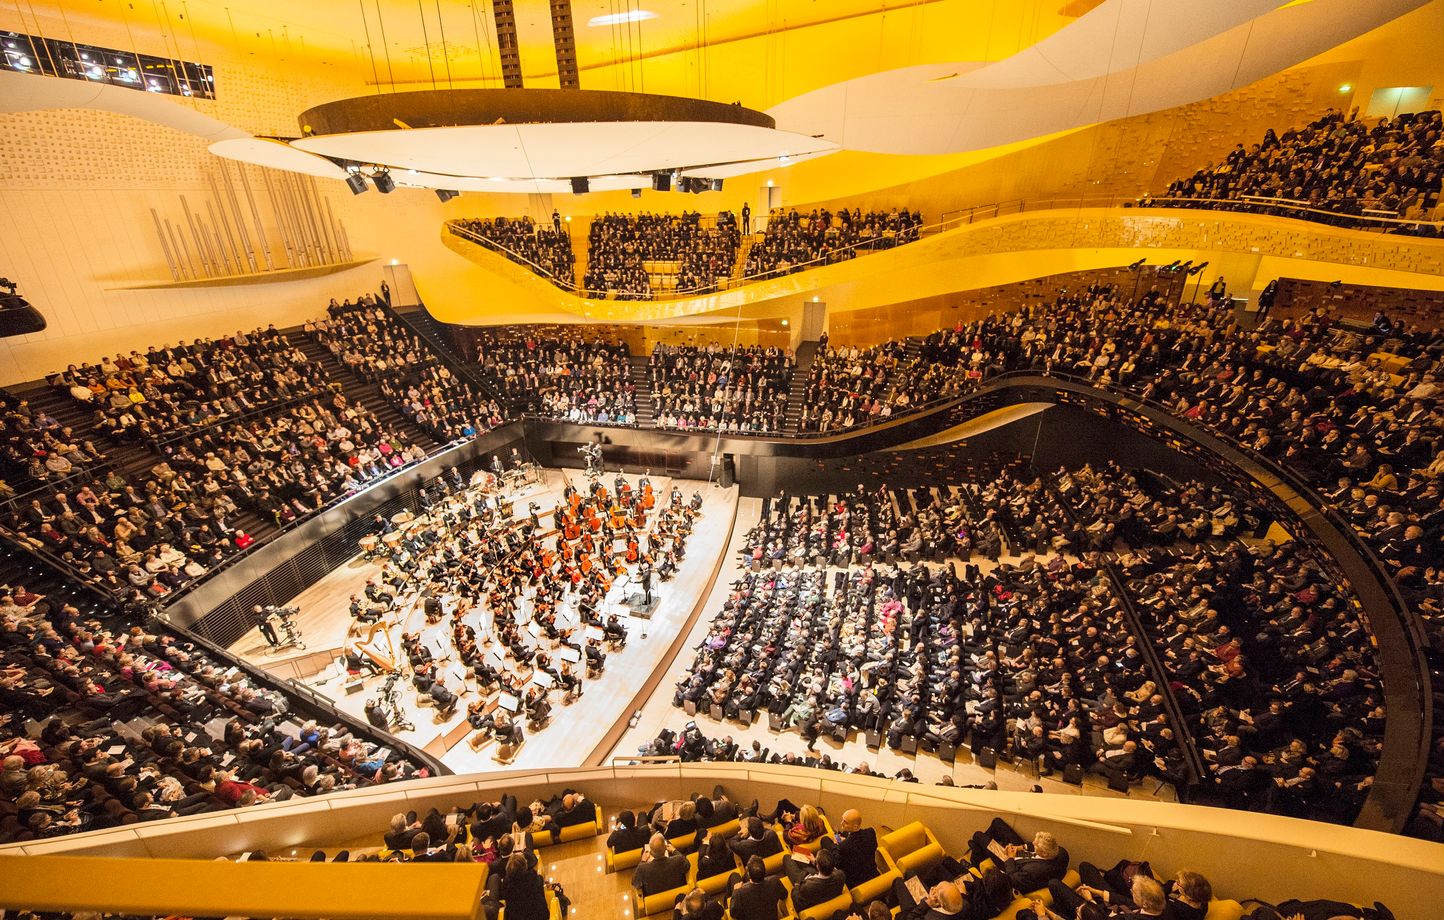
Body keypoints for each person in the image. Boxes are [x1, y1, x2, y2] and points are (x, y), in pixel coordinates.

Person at [827, 808, 879, 886]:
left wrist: (835, 844)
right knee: (843, 833)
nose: (841, 823)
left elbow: (838, 865)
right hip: (873, 873)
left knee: (826, 841)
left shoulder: (844, 846)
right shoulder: (871, 832)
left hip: (856, 882)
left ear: (855, 826)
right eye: (842, 820)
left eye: (845, 822)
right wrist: (847, 840)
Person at [727, 856, 788, 920]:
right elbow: (784, 895)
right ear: (765, 871)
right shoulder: (774, 881)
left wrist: (735, 891)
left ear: (749, 874)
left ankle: (726, 902)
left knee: (734, 876)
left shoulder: (739, 893)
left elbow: (733, 913)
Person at [633, 833, 690, 898]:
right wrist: (674, 850)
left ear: (651, 852)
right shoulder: (678, 859)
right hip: (678, 893)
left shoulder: (642, 868)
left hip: (654, 899)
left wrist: (642, 861)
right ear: (665, 848)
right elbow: (687, 865)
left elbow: (635, 883)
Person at [792, 848, 847, 912]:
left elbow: (797, 903)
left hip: (808, 893)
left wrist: (796, 885)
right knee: (806, 866)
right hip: (824, 890)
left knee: (786, 858)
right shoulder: (841, 875)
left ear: (818, 866)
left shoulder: (807, 886)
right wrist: (814, 861)